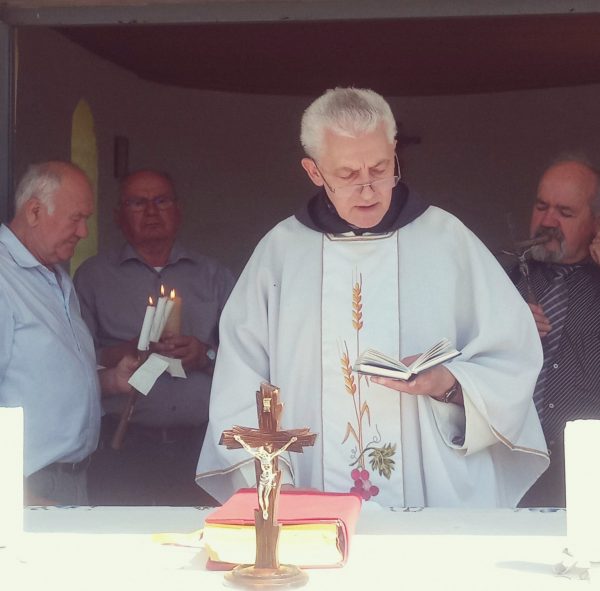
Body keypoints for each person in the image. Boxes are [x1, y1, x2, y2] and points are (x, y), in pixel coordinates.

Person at [196, 87, 549, 508]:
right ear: (314, 171)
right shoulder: (281, 254)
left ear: (394, 154)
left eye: (380, 169)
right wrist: (277, 481)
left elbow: (512, 358)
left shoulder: (447, 241)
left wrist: (448, 384)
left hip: (431, 492)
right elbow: (240, 379)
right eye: (348, 175)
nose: (368, 190)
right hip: (308, 486)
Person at [74, 169, 235, 505]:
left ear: (178, 209)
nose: (151, 211)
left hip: (201, 447)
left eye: (161, 201)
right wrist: (128, 350)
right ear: (118, 215)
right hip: (123, 444)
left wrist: (203, 354)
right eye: (138, 203)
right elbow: (75, 360)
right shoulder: (93, 277)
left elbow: (245, 357)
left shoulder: (213, 276)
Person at [0, 161, 136, 506]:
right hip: (26, 486)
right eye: (76, 218)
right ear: (34, 211)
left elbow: (42, 378)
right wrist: (12, 493)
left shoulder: (56, 278)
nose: (84, 232)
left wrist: (109, 381)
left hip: (70, 479)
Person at [509, 158, 600, 507]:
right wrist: (502, 329)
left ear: (595, 223)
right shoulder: (502, 282)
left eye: (565, 212)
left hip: (586, 477)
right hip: (506, 472)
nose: (548, 221)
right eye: (541, 206)